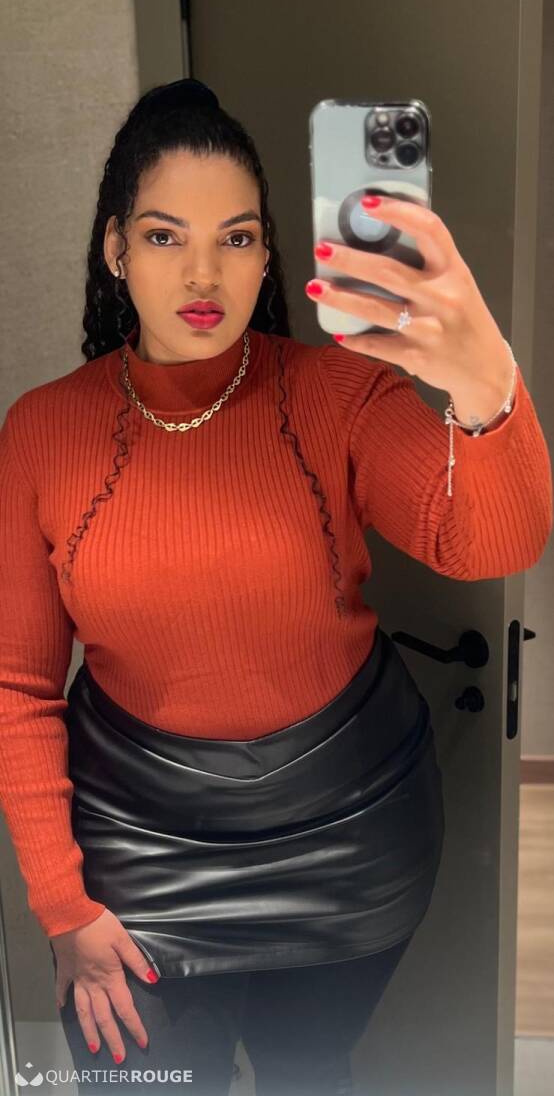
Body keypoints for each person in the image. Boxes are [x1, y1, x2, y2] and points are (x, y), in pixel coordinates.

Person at [0, 79, 551, 1096]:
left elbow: (492, 543)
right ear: (115, 249)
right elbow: (18, 687)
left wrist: (484, 381)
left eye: (238, 237)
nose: (203, 273)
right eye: (164, 237)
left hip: (347, 835)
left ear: (267, 255)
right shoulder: (43, 431)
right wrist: (62, 906)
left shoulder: (339, 394)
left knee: (309, 1072)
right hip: (136, 845)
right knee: (147, 1084)